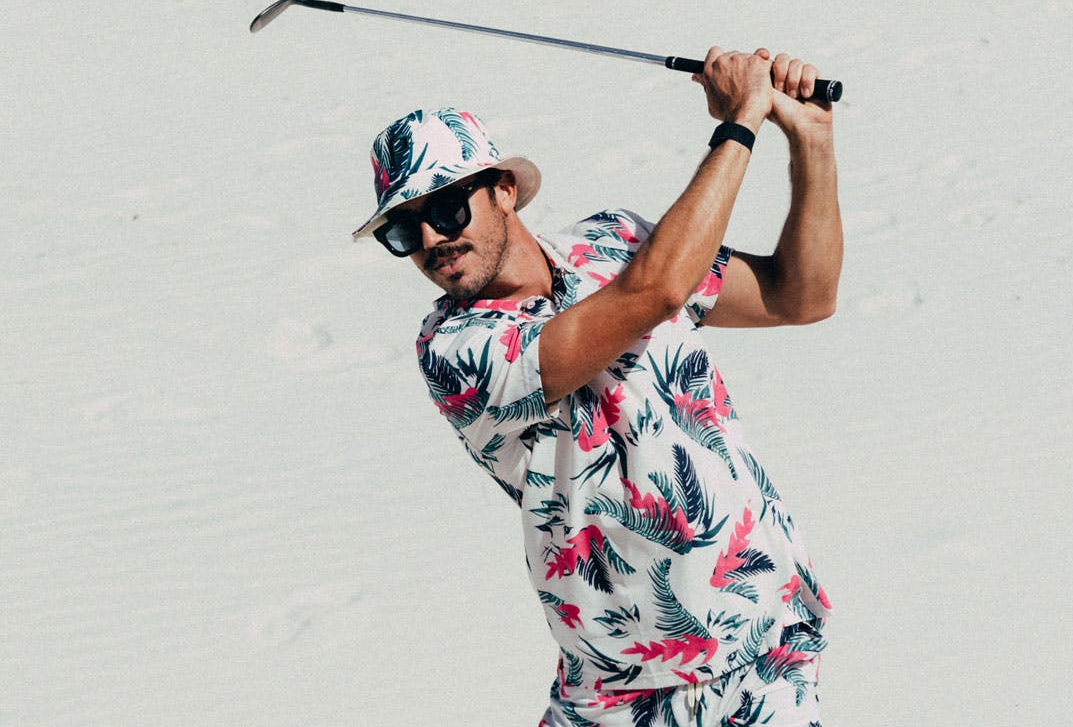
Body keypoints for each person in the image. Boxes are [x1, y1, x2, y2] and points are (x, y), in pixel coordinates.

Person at [352, 46, 842, 726]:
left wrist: (811, 141)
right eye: (406, 229)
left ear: (503, 189)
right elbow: (654, 292)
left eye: (447, 208)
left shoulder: (615, 241)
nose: (433, 237)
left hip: (764, 648)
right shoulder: (454, 351)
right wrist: (742, 120)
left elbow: (800, 295)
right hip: (622, 693)